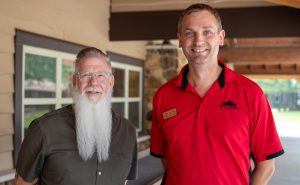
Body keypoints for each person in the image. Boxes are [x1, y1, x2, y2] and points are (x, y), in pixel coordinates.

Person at [150, 4, 284, 185]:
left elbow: (266, 165)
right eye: (189, 33)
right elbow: (167, 158)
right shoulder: (163, 96)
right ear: (180, 39)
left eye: (207, 32)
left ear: (221, 37)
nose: (198, 41)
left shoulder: (251, 93)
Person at [14, 47, 137, 185]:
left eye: (101, 75)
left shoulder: (128, 131)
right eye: (85, 75)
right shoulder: (44, 129)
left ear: (111, 82)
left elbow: (124, 181)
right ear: (74, 81)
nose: (94, 82)